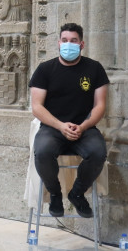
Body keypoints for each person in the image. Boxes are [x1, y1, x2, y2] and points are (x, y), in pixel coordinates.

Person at [29, 23, 109, 218]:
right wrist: (60, 125)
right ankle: (55, 194)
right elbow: (37, 107)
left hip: (84, 128)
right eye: (65, 40)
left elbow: (100, 105)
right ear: (58, 43)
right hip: (53, 128)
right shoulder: (45, 70)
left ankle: (77, 193)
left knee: (98, 152)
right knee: (42, 152)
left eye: (73, 41)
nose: (68, 44)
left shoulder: (95, 69)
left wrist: (83, 126)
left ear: (82, 44)